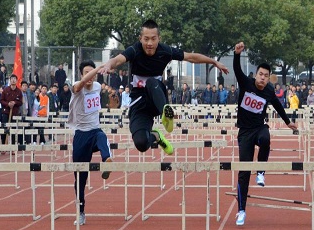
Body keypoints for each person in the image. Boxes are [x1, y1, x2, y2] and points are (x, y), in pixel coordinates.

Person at [97, 19, 228, 155]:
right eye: (146, 39)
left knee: (151, 82)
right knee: (141, 143)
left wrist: (214, 61)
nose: (149, 43)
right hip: (139, 103)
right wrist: (109, 64)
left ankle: (166, 113)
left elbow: (190, 57)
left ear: (159, 38)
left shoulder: (165, 51)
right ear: (140, 39)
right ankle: (156, 136)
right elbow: (118, 59)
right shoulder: (134, 50)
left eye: (153, 39)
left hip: (157, 97)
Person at [232, 42, 298, 226]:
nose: (262, 78)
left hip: (259, 127)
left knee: (265, 138)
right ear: (256, 75)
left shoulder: (269, 91)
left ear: (269, 79)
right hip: (244, 132)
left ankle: (261, 171)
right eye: (260, 74)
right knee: (243, 172)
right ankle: (242, 211)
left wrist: (287, 122)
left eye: (266, 76)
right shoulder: (246, 83)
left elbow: (277, 105)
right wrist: (236, 54)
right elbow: (237, 70)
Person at [67, 61, 114, 226]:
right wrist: (95, 70)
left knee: (102, 136)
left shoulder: (97, 86)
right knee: (80, 177)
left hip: (94, 130)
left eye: (92, 73)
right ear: (81, 74)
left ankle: (107, 160)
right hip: (80, 135)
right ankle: (80, 212)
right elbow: (79, 85)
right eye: (86, 72)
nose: (90, 76)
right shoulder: (76, 86)